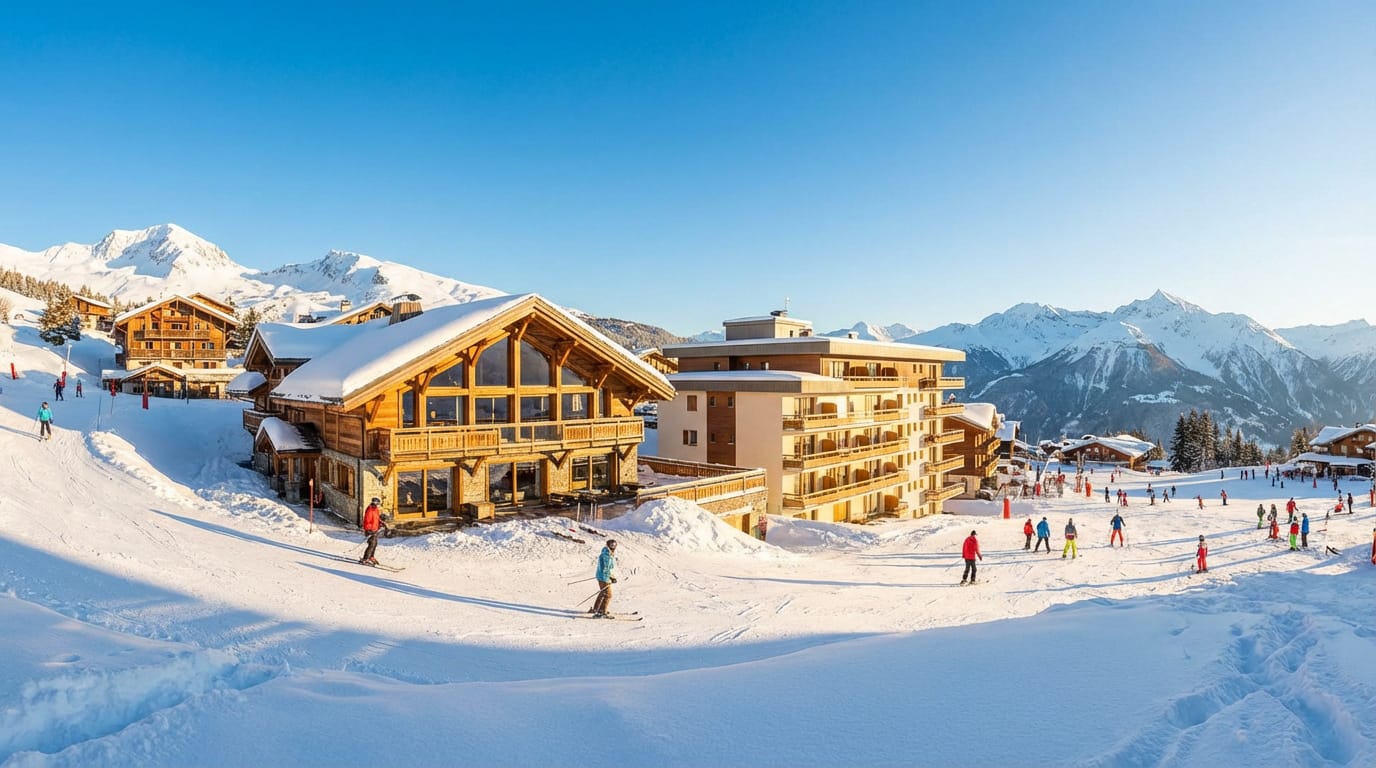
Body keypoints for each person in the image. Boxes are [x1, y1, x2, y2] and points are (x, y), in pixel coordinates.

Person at [591, 539, 619, 617]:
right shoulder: (607, 555)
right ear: (608, 545)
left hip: (602, 576)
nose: (613, 547)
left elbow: (608, 567)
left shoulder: (607, 553)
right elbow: (606, 568)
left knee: (602, 593)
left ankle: (596, 609)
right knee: (608, 595)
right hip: (604, 577)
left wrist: (611, 576)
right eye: (611, 545)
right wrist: (611, 577)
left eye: (614, 545)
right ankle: (601, 612)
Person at [358, 497, 388, 565]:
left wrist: (381, 522)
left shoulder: (375, 509)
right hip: (370, 530)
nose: (378, 505)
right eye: (377, 504)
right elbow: (367, 521)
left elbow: (376, 518)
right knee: (371, 544)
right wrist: (368, 530)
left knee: (374, 544)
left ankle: (371, 557)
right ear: (374, 503)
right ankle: (365, 559)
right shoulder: (370, 510)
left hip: (375, 529)